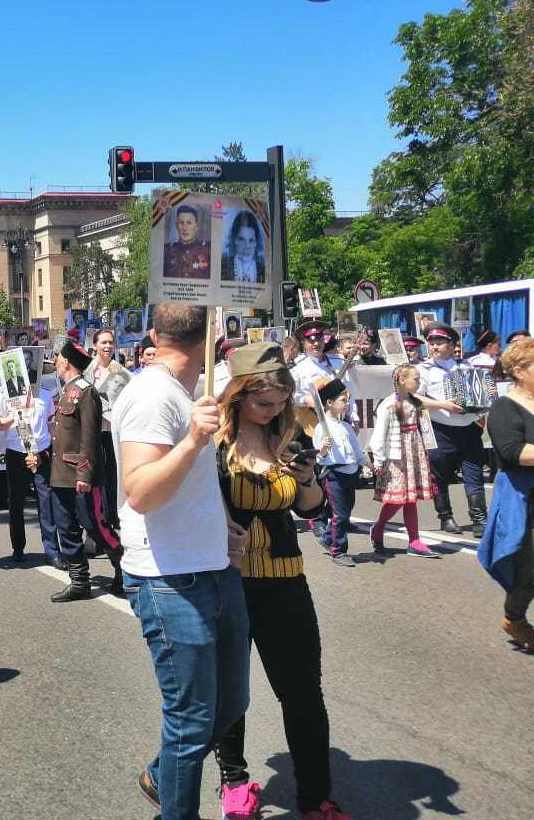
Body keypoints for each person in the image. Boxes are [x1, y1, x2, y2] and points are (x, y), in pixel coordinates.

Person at [112, 304, 250, 819]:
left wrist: (220, 522)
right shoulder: (152, 395)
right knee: (190, 722)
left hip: (212, 565)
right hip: (168, 578)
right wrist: (194, 439)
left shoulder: (187, 392)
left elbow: (190, 483)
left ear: (153, 332)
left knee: (230, 702)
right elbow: (141, 492)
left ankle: (161, 774)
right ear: (214, 333)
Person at [211, 342, 349, 820]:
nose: (273, 411)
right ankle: (234, 781)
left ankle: (316, 796)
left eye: (281, 402)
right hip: (228, 582)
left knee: (303, 692)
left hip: (286, 581)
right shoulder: (215, 441)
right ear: (238, 396)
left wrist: (307, 478)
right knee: (230, 692)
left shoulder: (290, 435)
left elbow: (311, 509)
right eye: (263, 403)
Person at [45, 339, 117, 602]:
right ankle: (79, 581)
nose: (55, 362)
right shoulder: (66, 391)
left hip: (79, 476)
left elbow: (90, 438)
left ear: (66, 361)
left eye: (57, 358)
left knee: (95, 527)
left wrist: (85, 475)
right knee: (66, 529)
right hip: (61, 474)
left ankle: (123, 569)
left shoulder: (86, 392)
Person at [478, 337, 534, 652]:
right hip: (523, 495)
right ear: (519, 371)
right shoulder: (503, 407)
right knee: (528, 571)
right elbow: (513, 451)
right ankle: (515, 618)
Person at [416, 321, 488, 536]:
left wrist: (481, 409)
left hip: (469, 429)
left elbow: (482, 395)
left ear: (452, 345)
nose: (434, 346)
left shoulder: (466, 367)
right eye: (431, 343)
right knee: (439, 475)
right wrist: (443, 405)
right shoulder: (423, 370)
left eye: (439, 342)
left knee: (474, 474)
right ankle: (445, 516)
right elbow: (413, 397)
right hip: (441, 430)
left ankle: (479, 519)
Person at [0, 361, 58, 566]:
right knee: (16, 501)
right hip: (17, 451)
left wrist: (51, 450)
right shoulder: (4, 392)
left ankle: (52, 551)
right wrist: (13, 414)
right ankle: (18, 547)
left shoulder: (45, 393)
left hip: (42, 452)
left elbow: (51, 425)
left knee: (46, 501)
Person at [367, 364, 440, 558]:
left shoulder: (415, 402)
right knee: (397, 499)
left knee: (410, 499)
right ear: (402, 379)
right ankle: (379, 528)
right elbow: (379, 434)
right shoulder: (389, 404)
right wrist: (379, 459)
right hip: (396, 455)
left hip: (413, 453)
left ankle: (414, 541)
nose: (419, 382)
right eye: (416, 379)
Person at [85, 329, 130, 577]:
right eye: (103, 342)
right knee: (93, 485)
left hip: (112, 434)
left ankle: (113, 529)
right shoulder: (86, 371)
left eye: (111, 342)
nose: (108, 346)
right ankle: (93, 535)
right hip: (91, 434)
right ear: (94, 345)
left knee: (112, 484)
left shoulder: (120, 372)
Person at [311, 379, 366, 567]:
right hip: (334, 474)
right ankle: (338, 550)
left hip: (350, 473)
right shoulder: (321, 427)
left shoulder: (346, 426)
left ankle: (327, 537)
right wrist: (324, 449)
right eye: (343, 400)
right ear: (329, 403)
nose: (346, 404)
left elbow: (357, 451)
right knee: (340, 514)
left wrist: (369, 464)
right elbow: (319, 457)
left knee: (347, 509)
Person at [290, 319, 350, 434]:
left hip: (338, 422)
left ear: (324, 341)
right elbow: (289, 396)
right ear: (304, 343)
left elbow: (349, 391)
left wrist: (353, 417)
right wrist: (305, 400)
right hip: (310, 425)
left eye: (319, 339)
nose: (316, 344)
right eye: (311, 341)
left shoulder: (338, 362)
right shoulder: (297, 367)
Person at [162, 204, 212, 279]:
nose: (185, 228)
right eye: (181, 223)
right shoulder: (166, 251)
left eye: (189, 223)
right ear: (176, 226)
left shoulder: (208, 250)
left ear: (196, 226)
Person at [220, 210, 265, 283]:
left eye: (251, 240)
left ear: (256, 243)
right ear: (235, 240)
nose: (247, 246)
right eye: (241, 239)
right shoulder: (222, 266)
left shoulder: (263, 270)